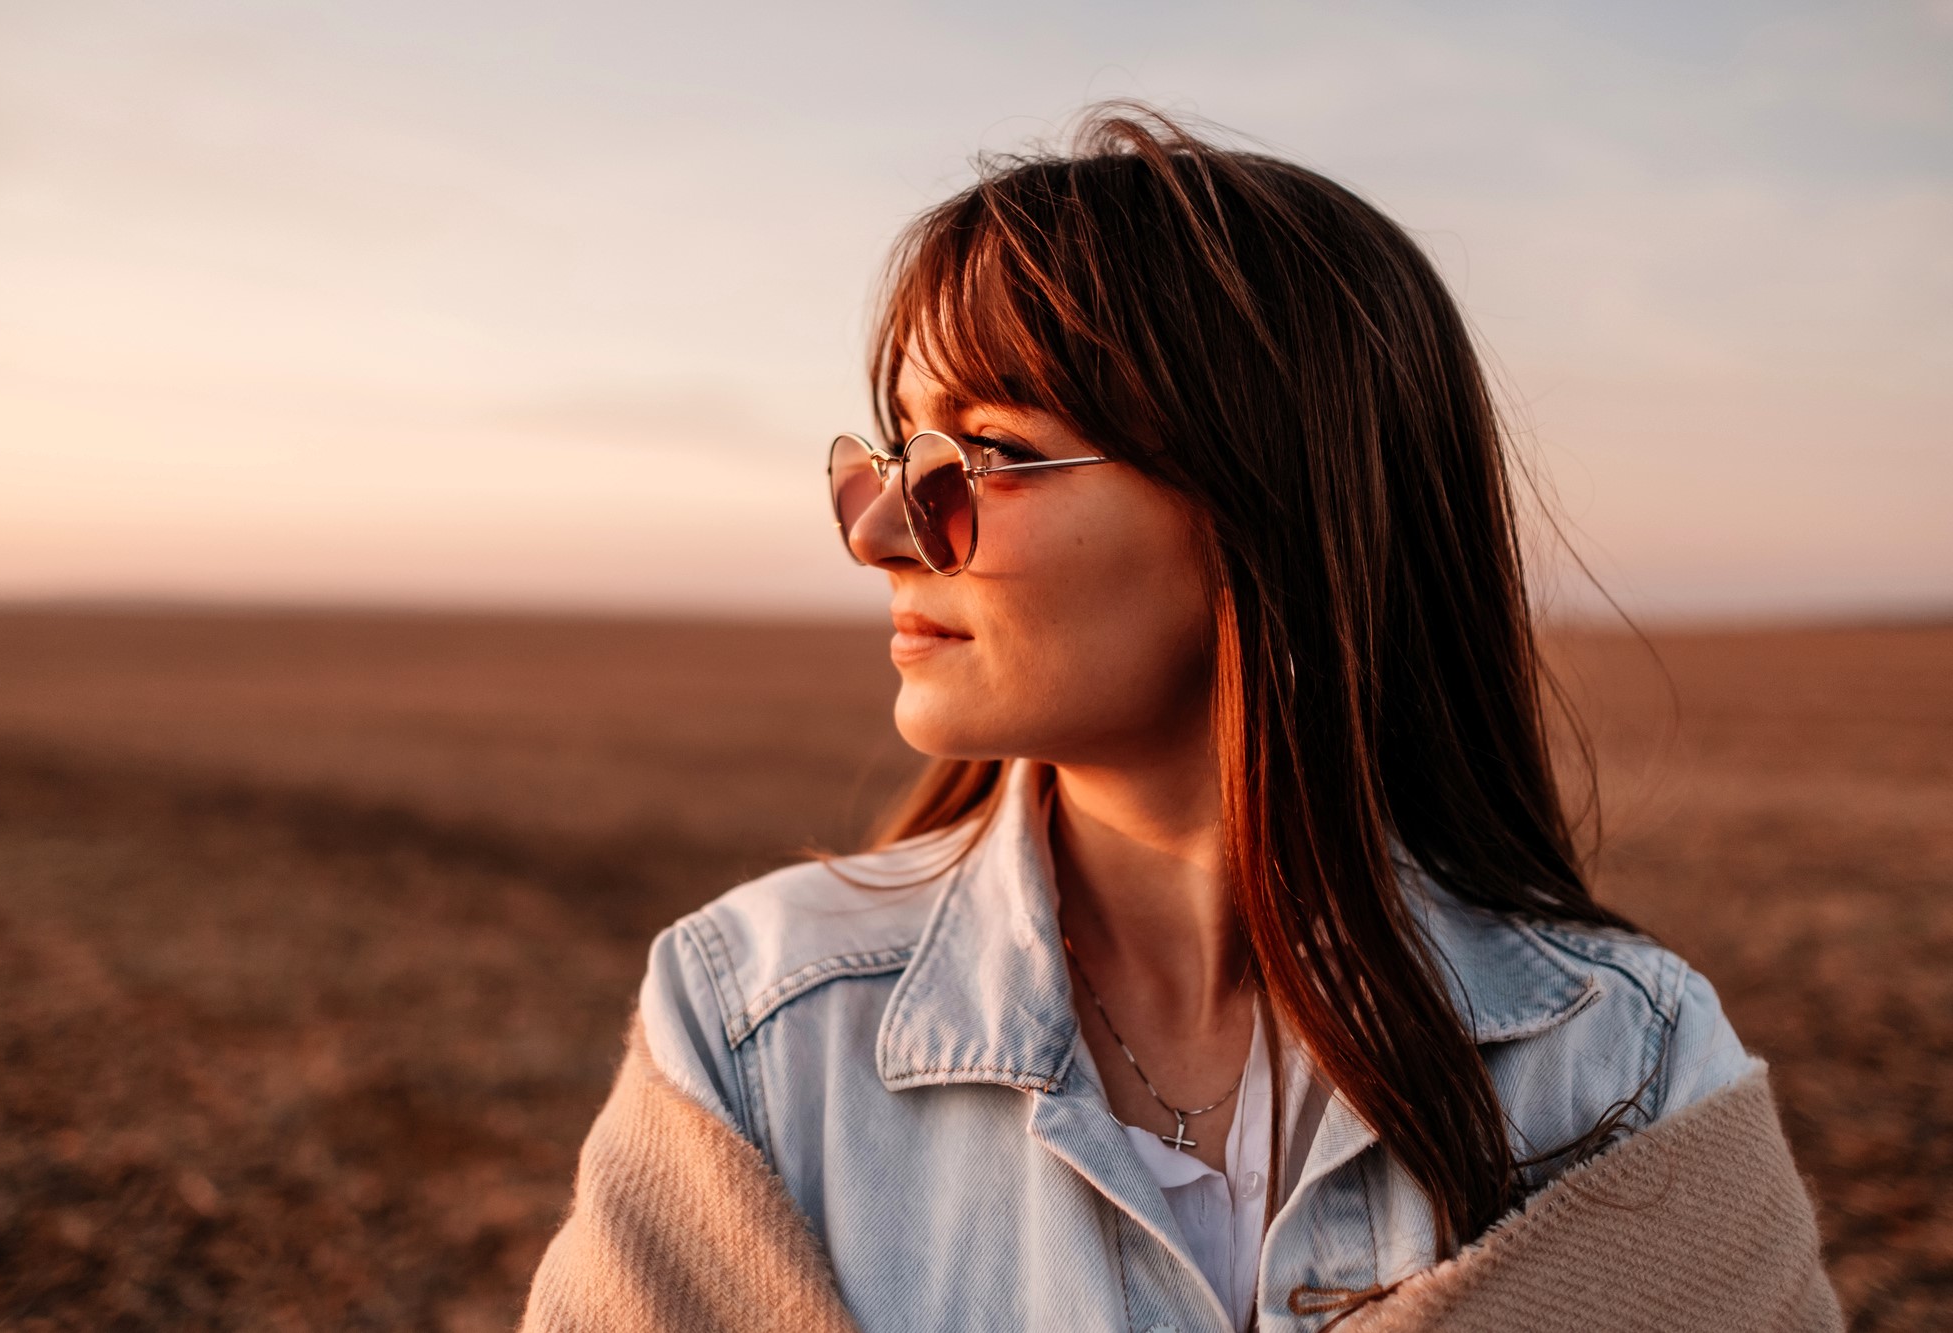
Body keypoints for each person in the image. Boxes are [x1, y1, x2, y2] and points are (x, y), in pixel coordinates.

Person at [520, 106, 1840, 1333]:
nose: (881, 533)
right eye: (892, 455)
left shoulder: (1627, 1070)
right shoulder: (756, 1029)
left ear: (1267, 509)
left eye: (985, 456)